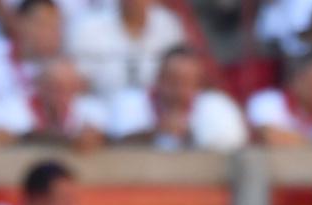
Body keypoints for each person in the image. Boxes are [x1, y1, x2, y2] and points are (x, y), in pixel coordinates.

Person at [105, 43, 247, 150]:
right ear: (159, 79)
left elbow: (232, 150)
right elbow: (113, 146)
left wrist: (190, 135)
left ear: (199, 84)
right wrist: (156, 132)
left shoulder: (216, 106)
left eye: (187, 82)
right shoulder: (130, 101)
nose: (179, 89)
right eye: (173, 81)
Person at [66, 0, 185, 98]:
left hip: (157, 107)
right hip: (101, 106)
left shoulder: (169, 24)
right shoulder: (88, 27)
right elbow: (77, 83)